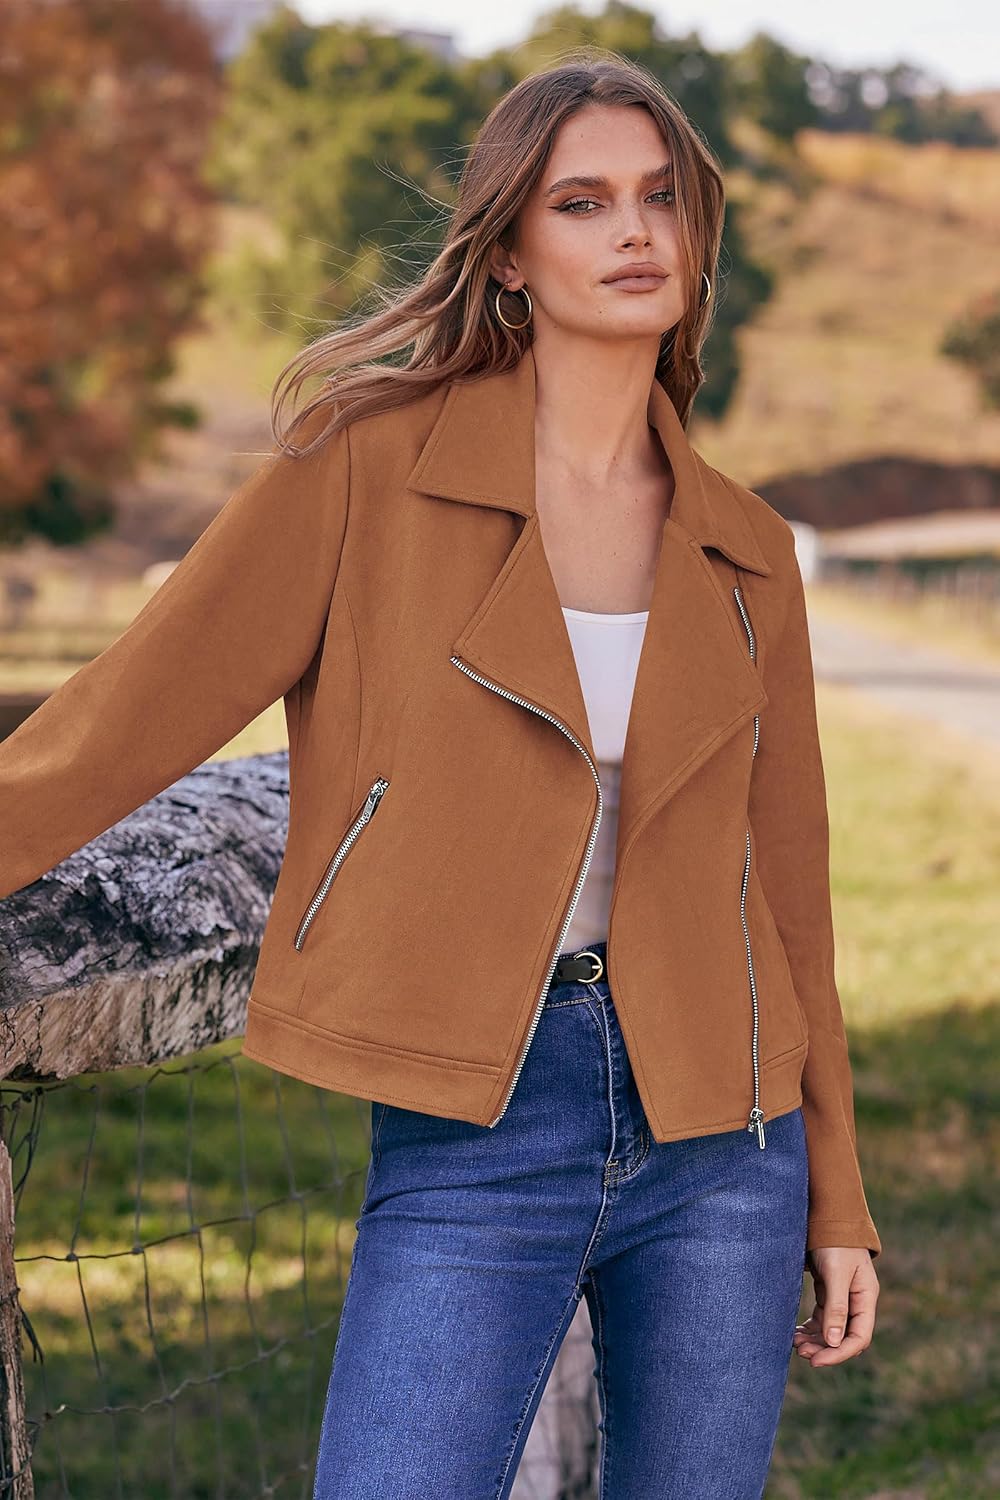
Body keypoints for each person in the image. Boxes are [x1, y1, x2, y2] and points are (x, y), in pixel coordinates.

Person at [0, 51, 881, 1500]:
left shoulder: (747, 550)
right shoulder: (365, 470)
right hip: (479, 1120)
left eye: (661, 197)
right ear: (511, 252)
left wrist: (835, 1194)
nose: (635, 230)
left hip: (729, 1143)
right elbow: (121, 720)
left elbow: (789, 896)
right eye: (583, 202)